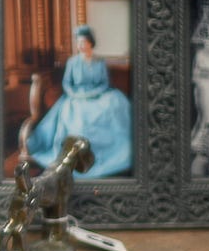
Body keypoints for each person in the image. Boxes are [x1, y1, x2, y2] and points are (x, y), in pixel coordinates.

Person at [24, 25, 133, 178]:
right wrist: (76, 94)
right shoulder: (73, 62)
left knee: (115, 103)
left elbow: (105, 83)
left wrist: (93, 93)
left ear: (90, 43)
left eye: (84, 42)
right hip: (77, 97)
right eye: (78, 42)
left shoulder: (100, 61)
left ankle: (115, 153)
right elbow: (67, 83)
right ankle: (79, 156)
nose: (81, 45)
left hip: (99, 95)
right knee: (76, 116)